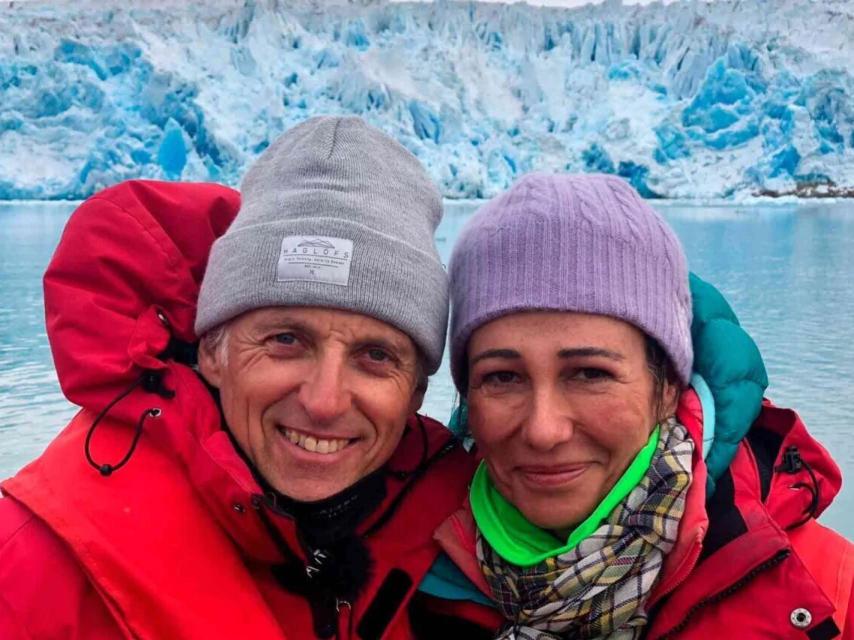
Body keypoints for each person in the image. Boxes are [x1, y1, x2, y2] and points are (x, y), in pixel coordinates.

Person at [0, 116, 481, 639]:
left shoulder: (464, 541)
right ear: (212, 349)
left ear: (414, 391)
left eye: (375, 355)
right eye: (285, 340)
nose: (324, 401)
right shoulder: (30, 569)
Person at [431, 173, 854, 639]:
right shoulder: (403, 577)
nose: (543, 430)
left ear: (668, 386)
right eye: (502, 377)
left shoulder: (824, 594)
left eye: (591, 373)